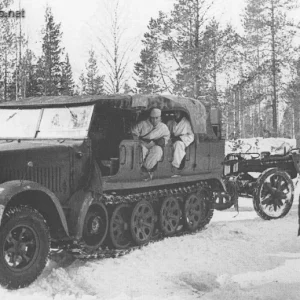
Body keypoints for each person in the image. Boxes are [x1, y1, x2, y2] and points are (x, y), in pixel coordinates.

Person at [132, 108, 170, 178]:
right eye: (152, 118)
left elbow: (166, 138)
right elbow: (134, 132)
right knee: (140, 149)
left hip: (154, 145)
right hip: (142, 144)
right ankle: (138, 169)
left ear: (160, 118)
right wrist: (138, 141)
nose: (154, 120)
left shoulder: (163, 127)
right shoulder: (143, 124)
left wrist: (158, 141)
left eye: (156, 118)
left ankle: (146, 169)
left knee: (158, 151)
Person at [167, 111, 194, 176]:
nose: (175, 114)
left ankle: (175, 166)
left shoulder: (186, 123)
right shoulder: (170, 122)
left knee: (178, 145)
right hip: (171, 141)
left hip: (182, 142)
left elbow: (191, 136)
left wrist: (180, 138)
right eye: (175, 112)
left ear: (181, 113)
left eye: (177, 112)